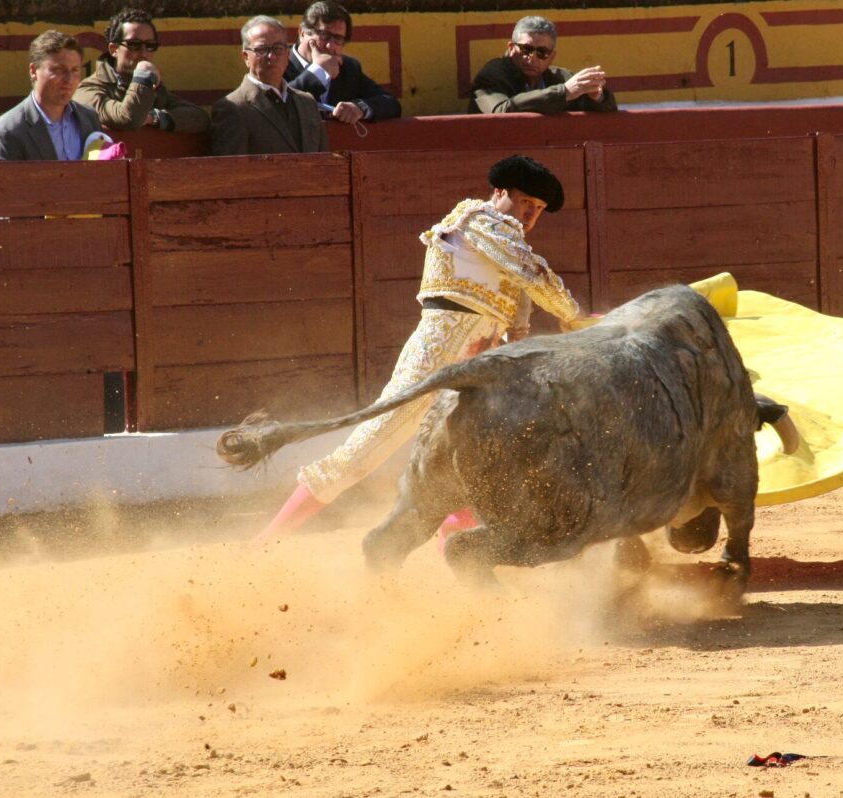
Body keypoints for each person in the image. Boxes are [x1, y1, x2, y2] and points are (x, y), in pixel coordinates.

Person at [242, 155, 581, 544]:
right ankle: (263, 543)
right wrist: (575, 315)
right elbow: (533, 275)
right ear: (501, 192)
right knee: (362, 455)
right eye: (526, 203)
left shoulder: (508, 246)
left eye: (538, 209)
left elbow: (519, 312)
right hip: (433, 364)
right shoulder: (479, 221)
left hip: (473, 372)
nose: (531, 214)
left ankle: (456, 539)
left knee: (485, 452)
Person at [73, 8, 210, 133]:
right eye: (134, 44)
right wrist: (143, 74)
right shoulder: (89, 89)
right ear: (114, 50)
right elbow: (129, 118)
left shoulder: (152, 88)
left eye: (150, 45)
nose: (143, 53)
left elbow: (199, 118)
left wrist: (155, 117)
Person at [210, 15, 328, 156]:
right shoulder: (233, 107)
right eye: (262, 49)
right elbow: (231, 172)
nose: (271, 56)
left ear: (287, 55)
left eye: (277, 49)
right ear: (246, 57)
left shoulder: (307, 103)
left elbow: (324, 162)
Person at [0, 31, 101, 162]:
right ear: (33, 71)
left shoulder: (89, 119)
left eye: (75, 70)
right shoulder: (7, 131)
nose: (69, 79)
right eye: (59, 70)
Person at [468, 16, 617, 114]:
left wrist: (596, 98)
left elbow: (608, 111)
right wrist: (563, 93)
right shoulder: (492, 75)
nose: (532, 58)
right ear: (511, 48)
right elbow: (501, 110)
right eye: (526, 49)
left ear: (552, 56)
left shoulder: (561, 77)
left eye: (542, 52)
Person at [284, 1, 401, 124]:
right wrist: (318, 72)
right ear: (302, 33)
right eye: (324, 35)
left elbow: (391, 104)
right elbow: (278, 105)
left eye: (338, 39)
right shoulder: (278, 62)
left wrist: (360, 108)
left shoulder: (348, 68)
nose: (330, 46)